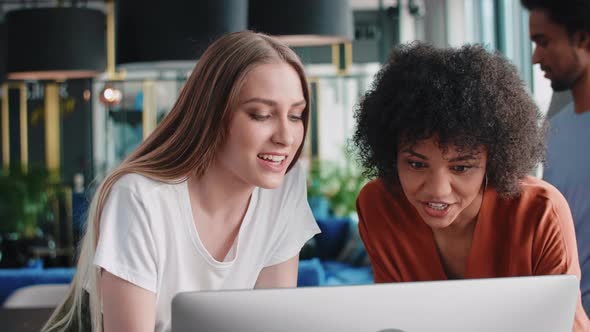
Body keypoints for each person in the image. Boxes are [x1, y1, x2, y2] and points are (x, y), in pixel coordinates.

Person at [42, 31, 320, 332]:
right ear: (212, 114)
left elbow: (272, 323)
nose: (286, 137)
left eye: (296, 115)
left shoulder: (284, 187)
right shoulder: (140, 198)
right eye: (261, 115)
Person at [352, 43, 589, 332]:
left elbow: (567, 327)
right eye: (416, 164)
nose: (438, 190)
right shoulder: (379, 206)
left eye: (461, 168)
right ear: (391, 154)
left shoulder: (540, 212)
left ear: (493, 160)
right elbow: (394, 321)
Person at [521, 0, 590, 316]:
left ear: (582, 39)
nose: (536, 57)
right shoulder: (552, 132)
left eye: (543, 41)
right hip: (565, 314)